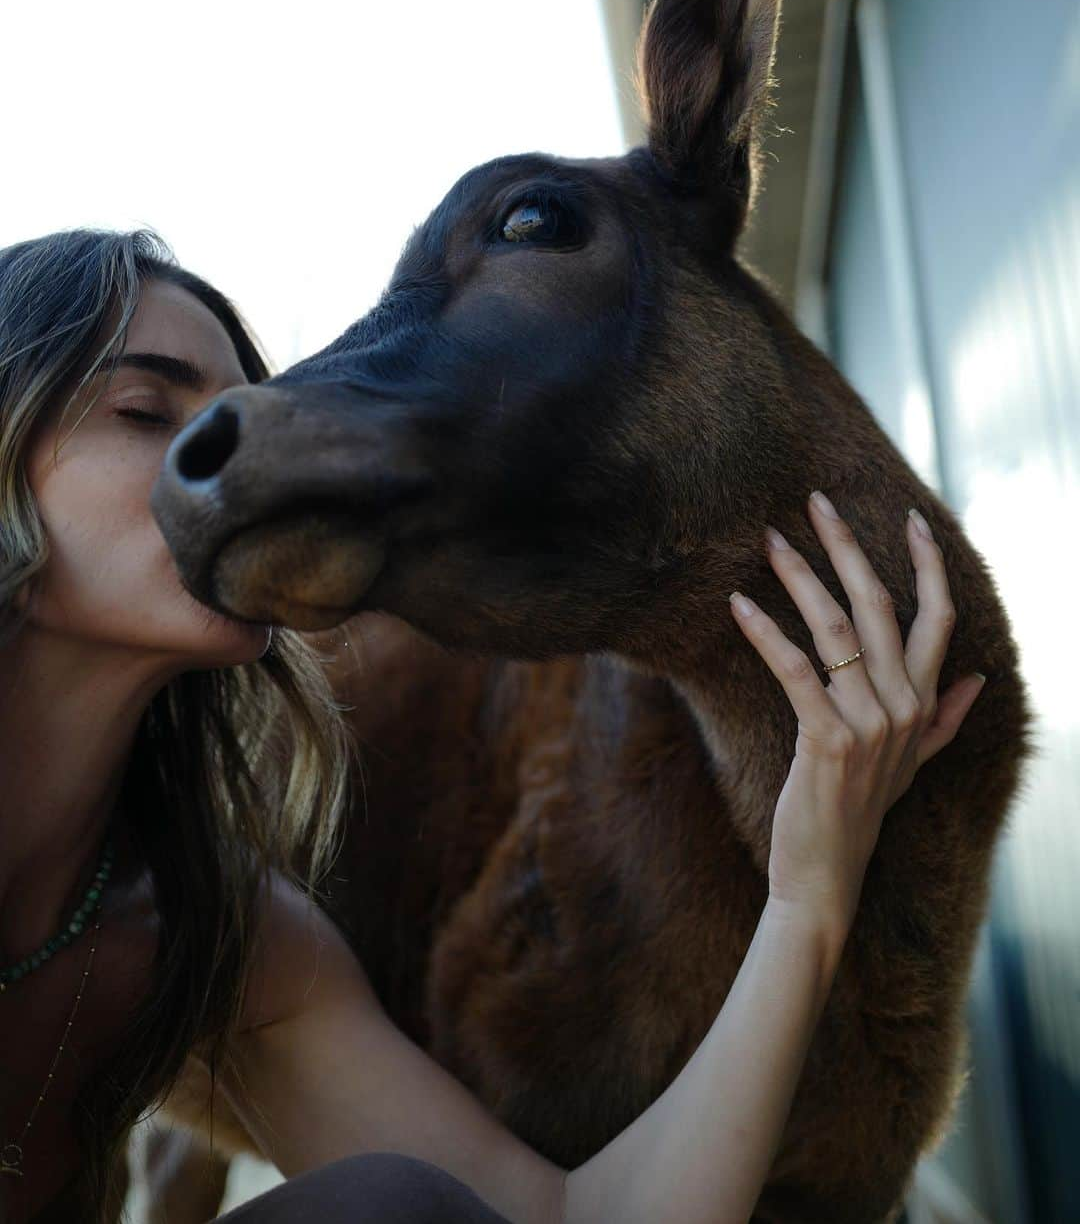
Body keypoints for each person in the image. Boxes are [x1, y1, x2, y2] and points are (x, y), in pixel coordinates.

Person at [0, 228, 985, 1224]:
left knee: (388, 1204)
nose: (231, 447)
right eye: (143, 411)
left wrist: (809, 893)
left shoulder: (213, 929)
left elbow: (563, 1220)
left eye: (233, 409)